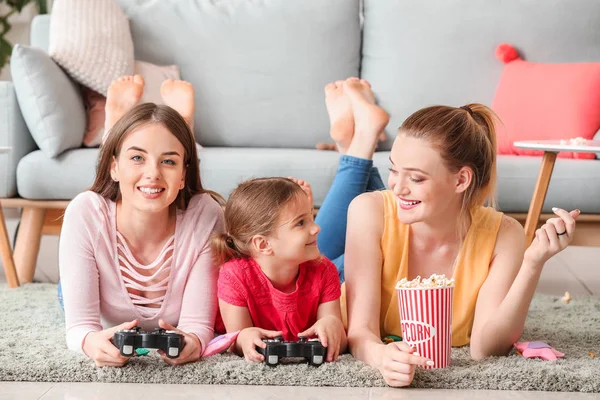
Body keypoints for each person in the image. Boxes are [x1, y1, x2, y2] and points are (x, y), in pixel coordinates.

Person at [313, 77, 579, 387]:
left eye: (417, 177)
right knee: (315, 259)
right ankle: (356, 141)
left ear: (460, 180)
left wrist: (533, 263)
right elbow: (360, 332)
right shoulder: (369, 210)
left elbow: (484, 349)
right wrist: (380, 355)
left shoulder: (503, 235)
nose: (398, 186)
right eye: (394, 170)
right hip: (338, 270)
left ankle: (356, 138)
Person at [58, 75, 225, 367]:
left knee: (155, 151)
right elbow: (80, 327)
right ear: (114, 168)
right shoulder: (84, 212)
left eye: (169, 161)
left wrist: (195, 342)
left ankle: (174, 129)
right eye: (137, 158)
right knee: (66, 292)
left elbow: (198, 325)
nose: (153, 174)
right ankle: (119, 130)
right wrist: (90, 342)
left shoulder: (205, 214)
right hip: (101, 286)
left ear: (184, 174)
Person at [212, 177, 347, 363]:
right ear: (263, 244)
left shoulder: (324, 270)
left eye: (311, 217)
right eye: (301, 223)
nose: (316, 228)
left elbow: (340, 341)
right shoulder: (234, 275)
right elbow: (235, 340)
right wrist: (245, 338)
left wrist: (332, 325)